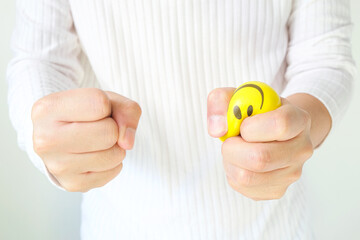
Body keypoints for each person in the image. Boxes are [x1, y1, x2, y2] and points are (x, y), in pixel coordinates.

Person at [6, 0, 356, 239]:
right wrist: (45, 132)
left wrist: (300, 126)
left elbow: (325, 56)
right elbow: (38, 57)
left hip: (276, 227)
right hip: (118, 227)